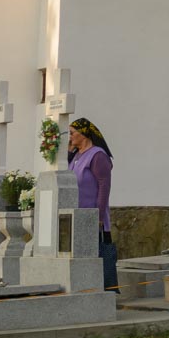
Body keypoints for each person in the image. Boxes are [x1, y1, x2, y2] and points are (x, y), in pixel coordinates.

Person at [67, 119, 117, 291]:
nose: (70, 136)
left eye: (72, 132)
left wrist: (99, 216)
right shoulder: (75, 156)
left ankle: (102, 289)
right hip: (75, 217)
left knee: (96, 255)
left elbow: (104, 186)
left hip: (92, 218)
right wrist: (68, 153)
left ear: (84, 133)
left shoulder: (97, 155)